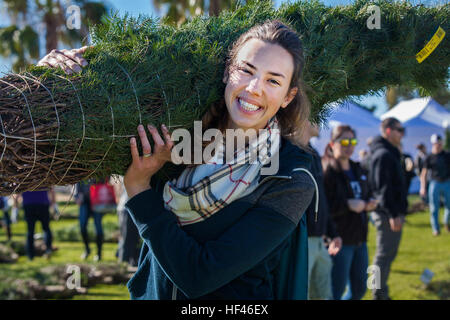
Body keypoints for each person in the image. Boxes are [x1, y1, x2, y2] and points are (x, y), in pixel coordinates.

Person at [39, 20, 317, 299]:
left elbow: (199, 276)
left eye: (273, 80)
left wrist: (138, 189)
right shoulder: (178, 134)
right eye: (246, 70)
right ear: (226, 72)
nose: (254, 88)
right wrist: (51, 81)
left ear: (287, 96)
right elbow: (85, 129)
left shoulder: (290, 177)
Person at [322, 125, 377, 300]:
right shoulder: (327, 170)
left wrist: (369, 202)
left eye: (352, 141)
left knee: (360, 289)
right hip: (339, 240)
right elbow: (323, 206)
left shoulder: (357, 168)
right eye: (344, 141)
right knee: (335, 291)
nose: (349, 145)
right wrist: (347, 204)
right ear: (332, 143)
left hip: (361, 239)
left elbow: (366, 193)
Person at [296, 121, 341, 300]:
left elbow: (320, 199)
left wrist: (332, 233)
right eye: (315, 114)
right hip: (302, 241)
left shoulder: (313, 153)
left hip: (319, 240)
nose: (321, 122)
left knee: (323, 295)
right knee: (301, 294)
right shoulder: (292, 151)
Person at [368, 117, 408, 300]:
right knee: (382, 255)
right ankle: (376, 292)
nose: (403, 134)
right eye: (400, 130)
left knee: (387, 254)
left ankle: (381, 290)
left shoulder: (389, 152)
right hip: (386, 213)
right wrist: (393, 214)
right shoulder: (383, 154)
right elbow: (382, 189)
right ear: (389, 131)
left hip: (390, 211)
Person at [419, 134, 450, 236]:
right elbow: (423, 174)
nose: (439, 145)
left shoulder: (447, 155)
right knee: (434, 207)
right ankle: (435, 229)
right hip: (434, 183)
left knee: (449, 205)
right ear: (433, 144)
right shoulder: (429, 157)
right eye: (437, 144)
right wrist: (422, 187)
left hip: (447, 182)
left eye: (440, 143)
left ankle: (446, 221)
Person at [20, 189, 56, 260]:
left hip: (28, 203)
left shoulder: (22, 177)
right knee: (46, 228)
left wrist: (15, 201)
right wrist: (53, 202)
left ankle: (30, 256)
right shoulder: (45, 177)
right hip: (42, 203)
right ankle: (48, 250)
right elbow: (51, 188)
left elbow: (19, 188)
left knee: (30, 231)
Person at [114, 176, 140, 266]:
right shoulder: (121, 175)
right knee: (126, 235)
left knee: (134, 236)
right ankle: (123, 261)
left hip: (133, 207)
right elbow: (118, 190)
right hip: (125, 207)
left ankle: (132, 260)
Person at [75, 180, 104, 261]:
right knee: (82, 226)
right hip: (84, 201)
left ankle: (99, 253)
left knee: (98, 229)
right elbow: (77, 187)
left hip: (97, 201)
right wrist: (77, 197)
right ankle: (87, 249)